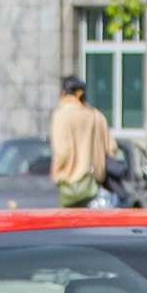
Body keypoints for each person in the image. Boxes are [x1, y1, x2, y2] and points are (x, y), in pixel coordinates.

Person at [50, 74, 116, 209]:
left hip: (71, 187)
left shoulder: (61, 114)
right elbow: (112, 147)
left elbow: (61, 152)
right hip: (94, 185)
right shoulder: (96, 115)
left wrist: (57, 176)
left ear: (63, 93)